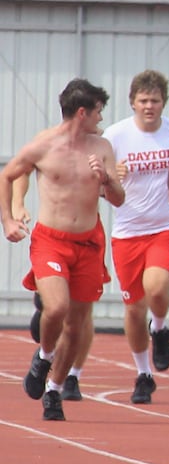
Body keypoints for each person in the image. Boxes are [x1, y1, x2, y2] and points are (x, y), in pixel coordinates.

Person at [4, 79, 124, 421]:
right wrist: (9, 218)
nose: (102, 117)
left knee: (77, 324)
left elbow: (118, 199)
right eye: (99, 110)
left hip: (88, 242)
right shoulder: (45, 144)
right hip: (51, 240)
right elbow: (10, 174)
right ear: (82, 112)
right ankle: (43, 356)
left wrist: (107, 179)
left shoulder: (101, 147)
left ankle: (54, 391)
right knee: (56, 308)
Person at [103, 70, 169, 404]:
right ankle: (143, 374)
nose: (149, 106)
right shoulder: (115, 135)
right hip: (127, 231)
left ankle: (159, 327)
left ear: (163, 103)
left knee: (156, 287)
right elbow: (100, 184)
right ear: (133, 103)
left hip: (167, 226)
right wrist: (112, 176)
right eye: (143, 100)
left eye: (155, 100)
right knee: (132, 308)